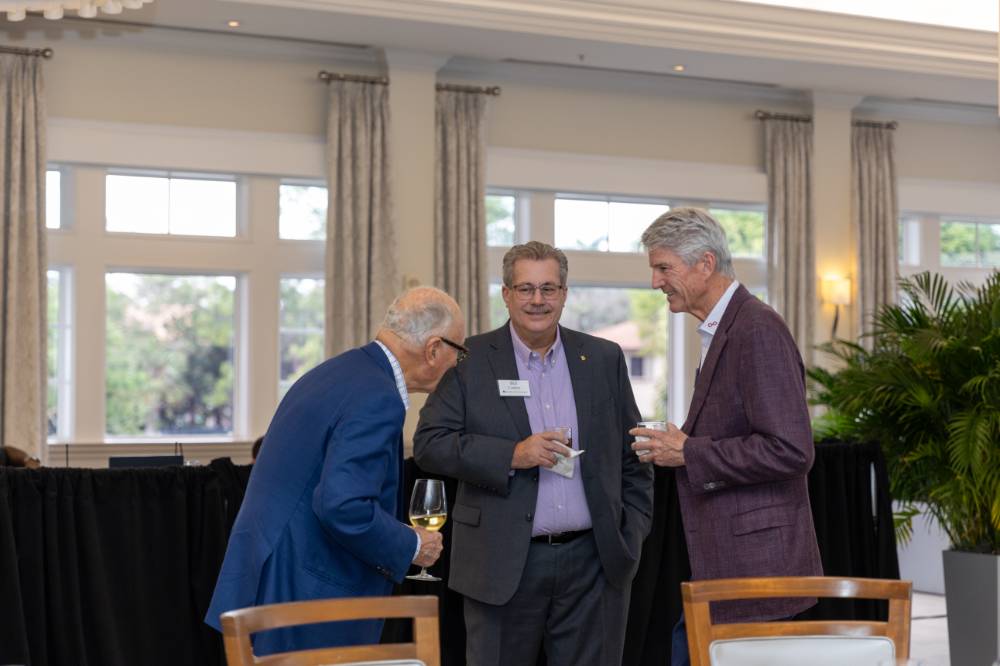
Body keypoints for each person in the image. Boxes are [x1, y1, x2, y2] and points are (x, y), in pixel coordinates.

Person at [414, 241, 654, 666]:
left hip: (594, 565)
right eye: (525, 289)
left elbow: (631, 455)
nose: (537, 300)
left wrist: (628, 533)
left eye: (548, 288)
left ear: (564, 293)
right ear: (506, 294)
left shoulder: (602, 358)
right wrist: (512, 454)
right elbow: (429, 445)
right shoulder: (469, 360)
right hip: (500, 562)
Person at [205, 286, 465, 655]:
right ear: (434, 349)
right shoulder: (379, 396)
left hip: (270, 575)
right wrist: (411, 543)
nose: (459, 363)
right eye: (460, 350)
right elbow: (343, 506)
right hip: (306, 588)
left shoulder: (340, 371)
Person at [631, 208, 822, 665]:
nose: (656, 282)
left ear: (706, 264)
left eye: (664, 268)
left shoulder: (756, 328)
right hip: (726, 563)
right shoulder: (724, 328)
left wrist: (689, 452)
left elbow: (792, 450)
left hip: (757, 569)